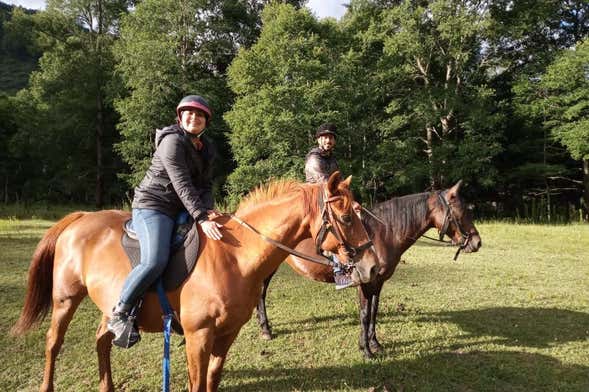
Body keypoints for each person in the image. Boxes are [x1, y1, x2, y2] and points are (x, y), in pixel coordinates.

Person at [107, 95, 223, 347]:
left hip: (181, 208)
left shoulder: (206, 148)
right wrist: (201, 217)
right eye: (189, 113)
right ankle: (121, 312)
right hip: (154, 206)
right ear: (180, 117)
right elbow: (181, 184)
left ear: (206, 122)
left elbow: (204, 185)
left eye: (200, 115)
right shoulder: (171, 141)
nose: (194, 118)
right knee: (154, 260)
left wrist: (209, 209)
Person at [305, 123, 356, 290]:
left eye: (331, 137)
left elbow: (340, 184)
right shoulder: (314, 159)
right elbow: (325, 184)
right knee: (334, 228)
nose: (328, 140)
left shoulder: (332, 159)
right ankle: (340, 275)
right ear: (319, 139)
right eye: (325, 137)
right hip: (315, 199)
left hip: (330, 198)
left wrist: (352, 201)